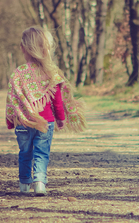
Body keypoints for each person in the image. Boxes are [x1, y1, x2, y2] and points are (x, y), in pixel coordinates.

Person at [5, 26, 86, 195]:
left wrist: (10, 120)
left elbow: (12, 99)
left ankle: (24, 185)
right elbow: (57, 100)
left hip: (23, 122)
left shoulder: (18, 73)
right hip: (46, 122)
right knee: (41, 153)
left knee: (25, 153)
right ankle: (40, 183)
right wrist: (61, 118)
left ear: (23, 48)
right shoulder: (50, 72)